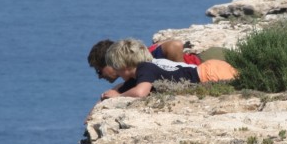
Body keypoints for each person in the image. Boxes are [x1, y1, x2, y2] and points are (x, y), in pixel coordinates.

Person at [100, 38, 236, 100]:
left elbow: (141, 92)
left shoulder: (145, 69)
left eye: (116, 68)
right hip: (210, 69)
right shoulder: (146, 68)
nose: (116, 72)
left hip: (208, 74)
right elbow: (123, 87)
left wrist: (118, 97)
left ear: (124, 66)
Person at [87, 38, 200, 83]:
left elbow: (175, 45)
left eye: (99, 71)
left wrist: (183, 77)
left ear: (110, 63)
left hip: (203, 63)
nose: (100, 76)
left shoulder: (142, 59)